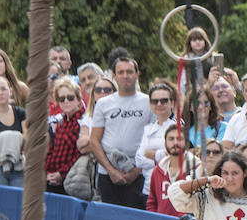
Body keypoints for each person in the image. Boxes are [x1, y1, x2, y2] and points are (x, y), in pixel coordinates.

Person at [87, 56, 152, 207]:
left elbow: (153, 140)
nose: (125, 76)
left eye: (129, 71)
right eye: (120, 72)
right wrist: (111, 171)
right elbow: (94, 140)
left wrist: (135, 172)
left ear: (137, 74)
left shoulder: (148, 102)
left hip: (139, 175)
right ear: (114, 76)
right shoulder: (103, 104)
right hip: (107, 175)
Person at [133, 81, 178, 195]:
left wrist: (152, 155)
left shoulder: (179, 128)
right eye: (155, 101)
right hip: (149, 188)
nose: (159, 104)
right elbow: (138, 161)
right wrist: (162, 157)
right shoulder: (148, 129)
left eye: (164, 100)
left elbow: (176, 158)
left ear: (172, 103)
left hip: (170, 190)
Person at [0, 76, 27, 188]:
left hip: (18, 163)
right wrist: (18, 137)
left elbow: (29, 141)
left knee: (19, 199)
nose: (0, 93)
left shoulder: (21, 113)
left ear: (10, 91)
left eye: (3, 89)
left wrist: (0, 139)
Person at [44, 76, 84, 193]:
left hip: (72, 182)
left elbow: (79, 154)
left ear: (78, 99)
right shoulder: (61, 122)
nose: (66, 101)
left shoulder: (84, 122)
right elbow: (52, 150)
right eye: (62, 99)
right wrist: (48, 172)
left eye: (70, 98)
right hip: (52, 180)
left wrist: (61, 174)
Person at [146, 124, 194, 216]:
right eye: (171, 139)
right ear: (165, 143)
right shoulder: (157, 171)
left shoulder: (196, 168)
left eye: (179, 139)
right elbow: (152, 202)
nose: (175, 143)